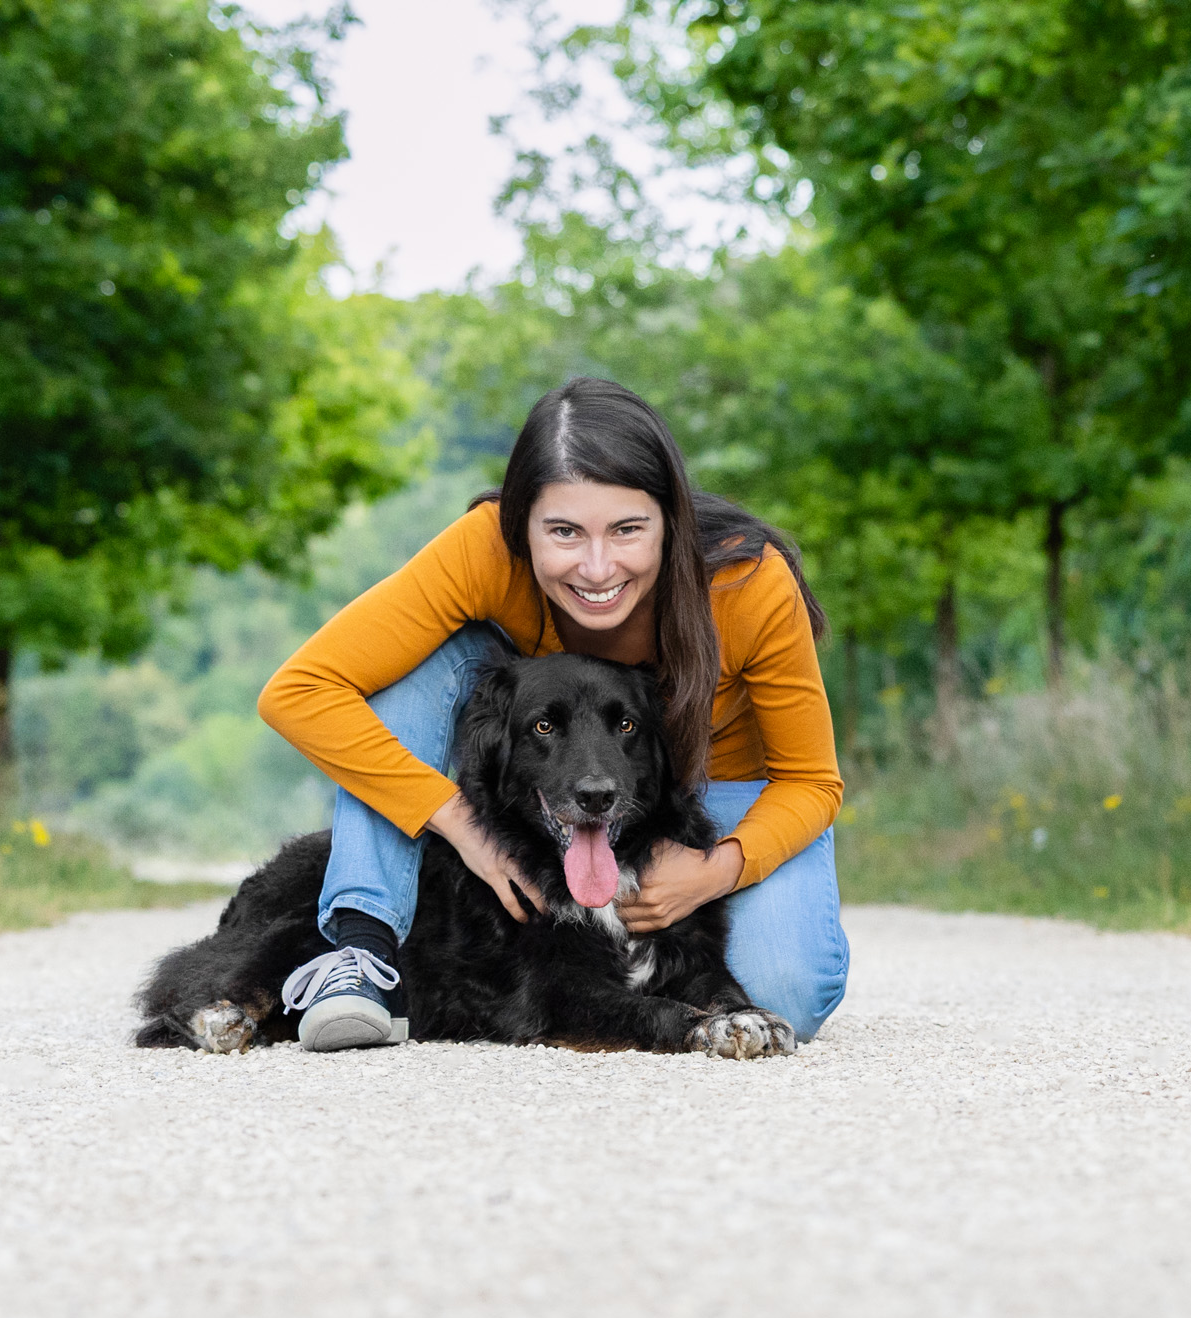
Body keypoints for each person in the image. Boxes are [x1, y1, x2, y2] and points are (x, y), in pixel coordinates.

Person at [257, 376, 848, 1051]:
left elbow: (812, 780)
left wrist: (716, 870)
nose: (597, 568)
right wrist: (457, 822)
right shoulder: (484, 549)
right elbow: (300, 690)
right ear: (521, 526)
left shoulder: (747, 581)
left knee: (784, 1000)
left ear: (669, 523)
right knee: (407, 669)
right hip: (559, 763)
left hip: (732, 791)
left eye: (627, 530)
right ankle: (363, 950)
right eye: (564, 532)